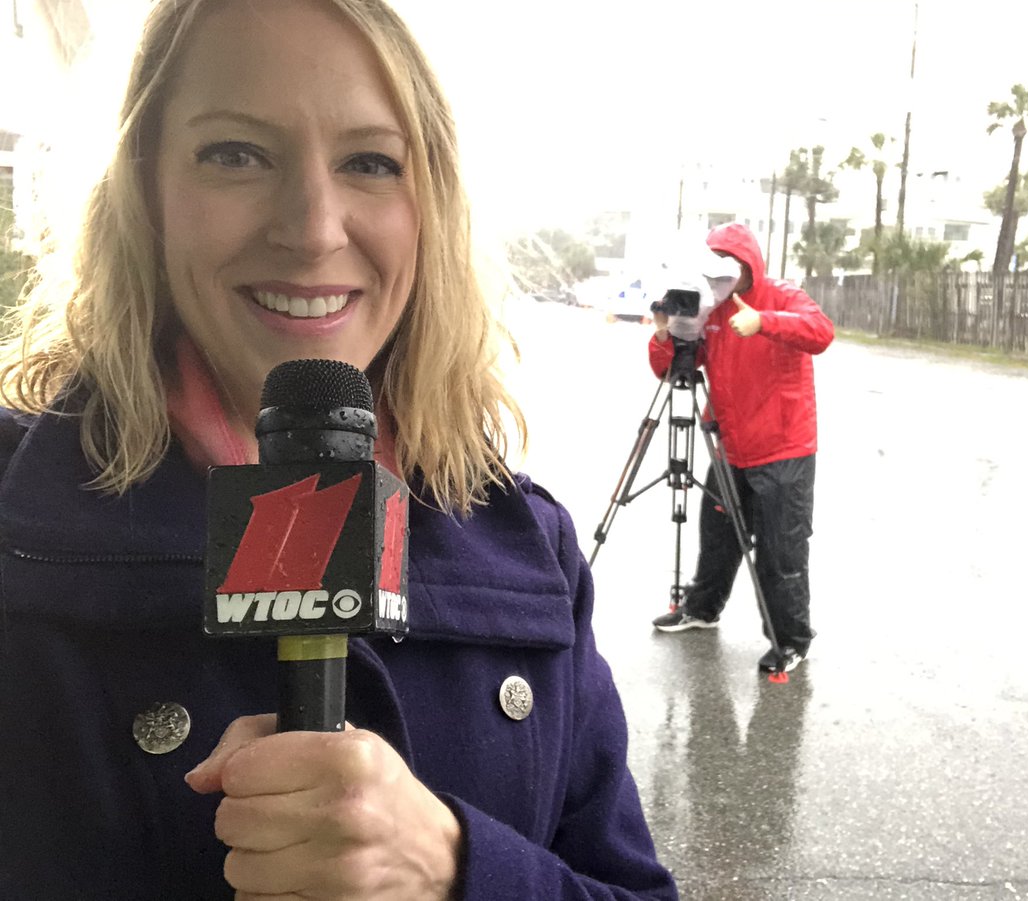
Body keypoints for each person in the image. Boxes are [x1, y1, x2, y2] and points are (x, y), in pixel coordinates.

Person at [0, 2, 677, 899]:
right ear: (145, 187)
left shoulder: (528, 546)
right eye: (236, 153)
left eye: (370, 162)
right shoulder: (19, 512)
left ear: (430, 205)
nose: (314, 228)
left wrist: (454, 867)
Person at [647, 223, 834, 675]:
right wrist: (665, 333)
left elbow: (821, 332)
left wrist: (764, 321)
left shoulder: (782, 296)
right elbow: (673, 370)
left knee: (780, 551)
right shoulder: (710, 306)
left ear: (749, 264)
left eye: (728, 268)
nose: (720, 279)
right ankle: (702, 609)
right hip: (730, 445)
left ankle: (791, 640)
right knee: (717, 539)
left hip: (784, 448)